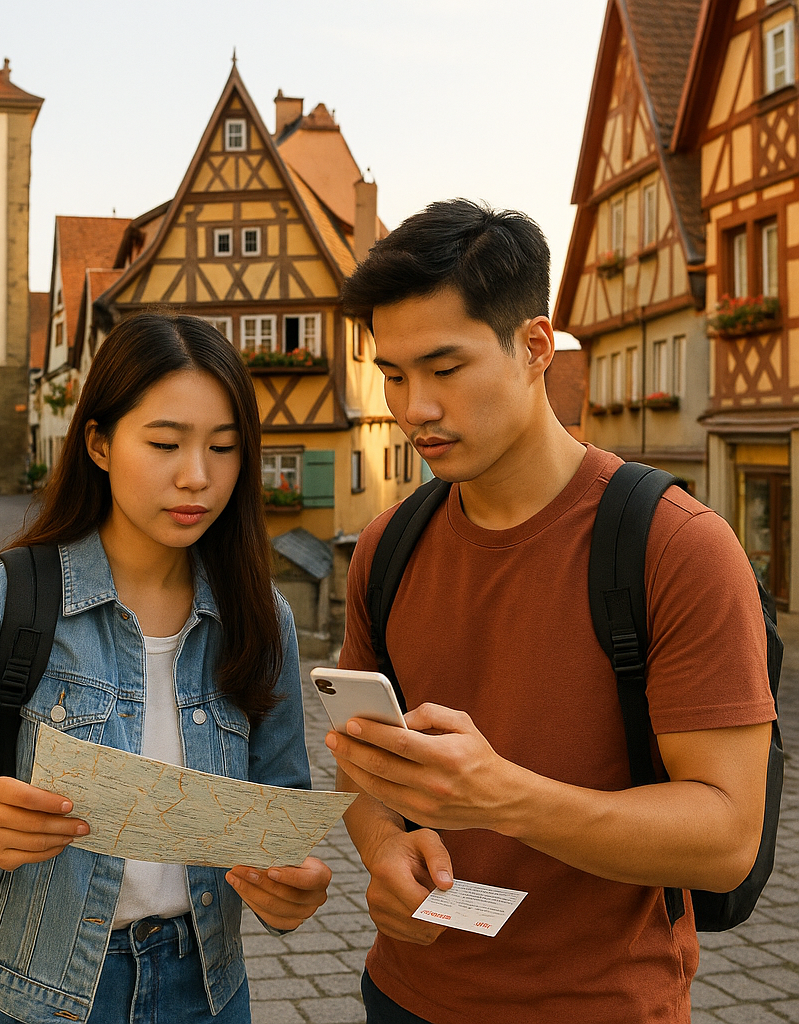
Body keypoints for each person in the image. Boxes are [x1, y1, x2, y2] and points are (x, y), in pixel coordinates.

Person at [328, 199, 776, 1024]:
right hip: (402, 995)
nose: (413, 406)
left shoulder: (677, 547)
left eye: (444, 368)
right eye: (393, 374)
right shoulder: (388, 546)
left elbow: (725, 841)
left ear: (536, 347)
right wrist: (384, 845)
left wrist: (502, 796)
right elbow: (364, 771)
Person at [0, 314, 332, 1024]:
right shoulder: (1, 601)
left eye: (223, 447)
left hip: (205, 991)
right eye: (164, 444)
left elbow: (279, 808)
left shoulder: (260, 616)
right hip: (20, 993)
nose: (197, 476)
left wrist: (291, 885)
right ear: (98, 443)